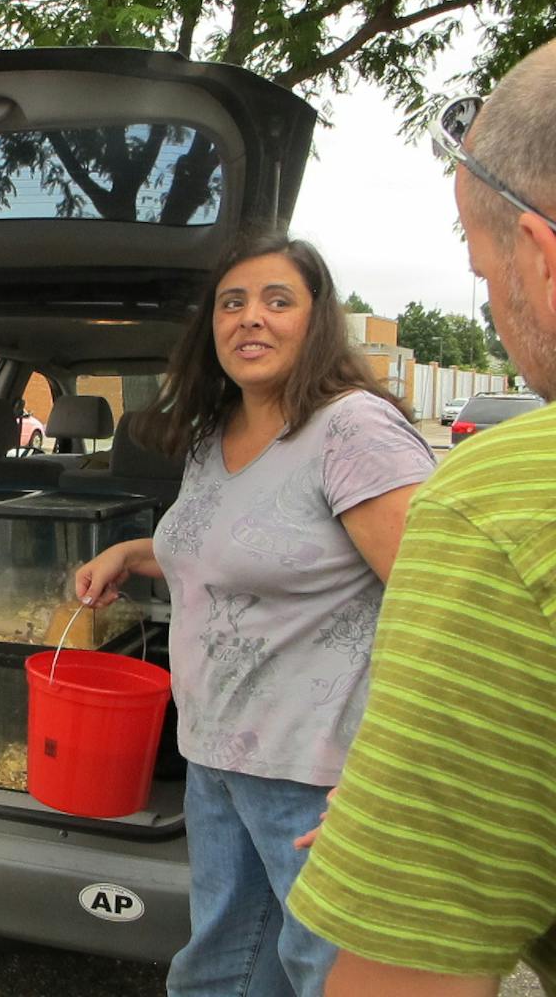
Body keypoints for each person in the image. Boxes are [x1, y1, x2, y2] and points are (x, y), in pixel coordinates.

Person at [72, 233, 435, 996]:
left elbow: (435, 605)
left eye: (278, 301)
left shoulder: (352, 429)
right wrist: (135, 553)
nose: (251, 319)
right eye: (232, 303)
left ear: (318, 321)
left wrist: (386, 777)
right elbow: (234, 550)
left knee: (326, 976)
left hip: (318, 773)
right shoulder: (214, 434)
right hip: (216, 757)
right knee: (222, 971)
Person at [288, 44, 556, 997]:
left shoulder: (498, 503)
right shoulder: (214, 439)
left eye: (484, 274)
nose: (492, 305)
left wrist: (408, 783)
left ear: (539, 254)